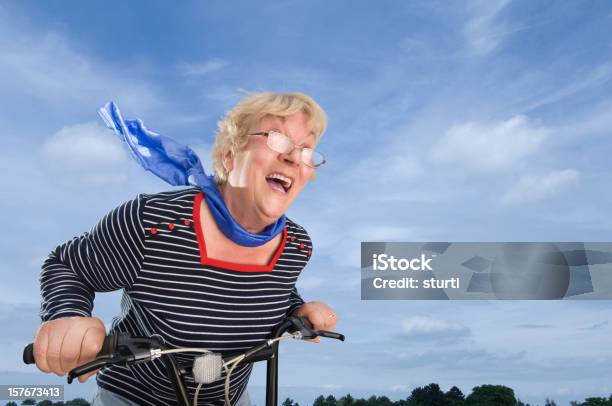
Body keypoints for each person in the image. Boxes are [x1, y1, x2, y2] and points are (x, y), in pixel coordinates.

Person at [32, 92, 337, 405]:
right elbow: (67, 266)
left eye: (305, 150)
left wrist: (297, 310)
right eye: (277, 139)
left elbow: (269, 292)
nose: (293, 157)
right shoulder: (153, 223)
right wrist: (67, 315)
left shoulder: (297, 245)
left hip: (227, 397)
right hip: (134, 397)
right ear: (230, 157)